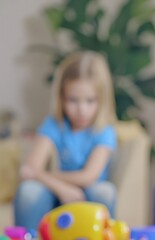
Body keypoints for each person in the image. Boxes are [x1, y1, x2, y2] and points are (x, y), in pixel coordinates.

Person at [14, 51, 118, 230]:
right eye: (73, 100)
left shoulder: (104, 131)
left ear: (102, 99)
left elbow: (88, 177)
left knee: (104, 191)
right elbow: (29, 168)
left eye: (90, 101)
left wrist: (42, 174)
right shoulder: (54, 125)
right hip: (54, 194)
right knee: (28, 191)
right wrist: (61, 188)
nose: (81, 110)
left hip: (88, 197)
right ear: (61, 98)